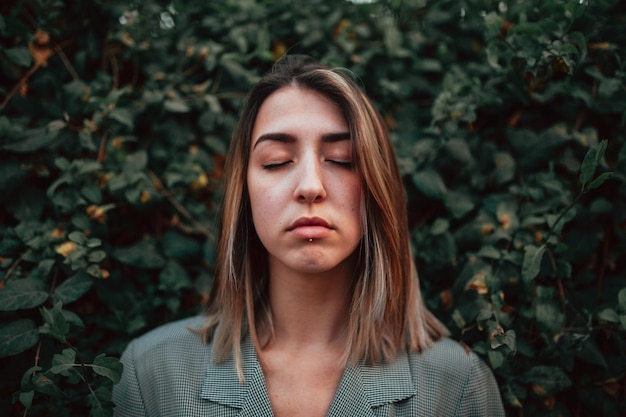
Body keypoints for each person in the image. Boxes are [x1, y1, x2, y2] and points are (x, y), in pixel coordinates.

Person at [112, 55, 505, 416]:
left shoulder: (457, 386)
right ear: (244, 191)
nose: (311, 186)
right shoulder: (152, 374)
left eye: (341, 160)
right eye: (277, 162)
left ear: (376, 188)